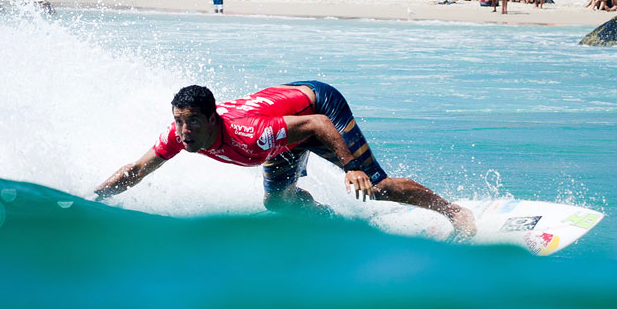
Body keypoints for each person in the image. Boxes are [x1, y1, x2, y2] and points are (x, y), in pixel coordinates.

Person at [94, 83, 478, 237]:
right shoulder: (178, 137)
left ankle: (455, 213)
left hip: (318, 107)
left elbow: (317, 122)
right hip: (285, 128)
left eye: (192, 121)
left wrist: (352, 167)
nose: (184, 131)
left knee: (374, 188)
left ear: (211, 119)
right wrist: (94, 200)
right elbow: (136, 170)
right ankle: (329, 225)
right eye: (179, 121)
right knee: (278, 202)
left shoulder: (250, 134)